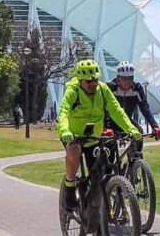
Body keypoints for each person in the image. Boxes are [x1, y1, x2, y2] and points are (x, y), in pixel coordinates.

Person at [57, 59, 142, 211]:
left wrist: (130, 129)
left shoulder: (102, 89)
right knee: (74, 150)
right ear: (80, 80)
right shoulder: (73, 91)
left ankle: (97, 216)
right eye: (88, 81)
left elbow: (116, 111)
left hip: (94, 138)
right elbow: (63, 112)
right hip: (74, 135)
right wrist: (65, 131)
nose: (92, 84)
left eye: (95, 80)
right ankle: (70, 187)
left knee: (100, 176)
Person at [105, 61, 160, 141]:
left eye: (129, 78)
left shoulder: (137, 88)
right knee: (108, 145)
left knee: (139, 133)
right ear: (118, 78)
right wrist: (104, 128)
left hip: (127, 121)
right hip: (110, 122)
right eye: (123, 78)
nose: (127, 81)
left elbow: (145, 108)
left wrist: (155, 126)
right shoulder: (110, 87)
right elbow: (101, 108)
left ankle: (135, 153)